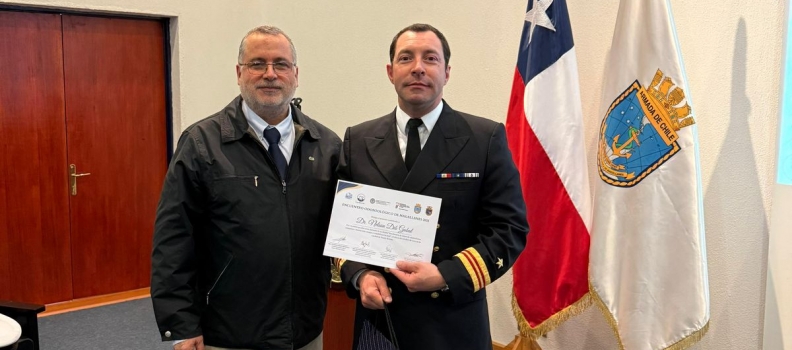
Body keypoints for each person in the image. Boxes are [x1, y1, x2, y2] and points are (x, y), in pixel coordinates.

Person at [337, 23, 529, 350]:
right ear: (390, 71)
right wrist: (360, 276)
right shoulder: (358, 140)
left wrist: (445, 276)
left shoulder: (484, 139)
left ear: (447, 71)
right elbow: (340, 228)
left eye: (430, 58)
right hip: (380, 321)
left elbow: (509, 229)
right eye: (406, 58)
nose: (418, 68)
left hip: (452, 322)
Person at [151, 26, 340, 350]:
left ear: (295, 74)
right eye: (257, 64)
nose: (270, 74)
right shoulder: (201, 145)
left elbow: (345, 229)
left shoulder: (326, 146)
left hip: (305, 329)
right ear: (239, 73)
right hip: (229, 333)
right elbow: (173, 239)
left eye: (280, 64)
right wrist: (180, 324)